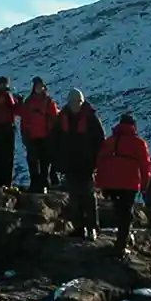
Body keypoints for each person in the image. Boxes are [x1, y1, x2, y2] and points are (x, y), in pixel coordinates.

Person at [94, 113, 151, 256]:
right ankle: (121, 244)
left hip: (111, 183)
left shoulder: (110, 141)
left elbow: (100, 162)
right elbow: (146, 166)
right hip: (129, 183)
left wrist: (101, 183)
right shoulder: (139, 143)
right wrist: (145, 185)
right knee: (126, 213)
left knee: (119, 210)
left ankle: (121, 240)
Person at [50, 89, 105, 239]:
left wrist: (95, 161)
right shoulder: (62, 117)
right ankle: (79, 227)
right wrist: (58, 161)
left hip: (87, 164)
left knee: (88, 196)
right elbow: (55, 140)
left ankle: (92, 227)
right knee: (74, 197)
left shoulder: (91, 118)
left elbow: (100, 141)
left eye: (78, 102)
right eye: (73, 102)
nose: (76, 105)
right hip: (70, 163)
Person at [19, 77, 60, 193]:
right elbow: (24, 118)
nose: (38, 88)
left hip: (46, 136)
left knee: (45, 162)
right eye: (36, 85)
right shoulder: (29, 101)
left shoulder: (48, 101)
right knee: (33, 161)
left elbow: (54, 117)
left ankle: (43, 184)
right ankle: (35, 183)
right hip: (32, 136)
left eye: (40, 85)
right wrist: (24, 134)